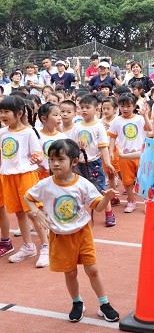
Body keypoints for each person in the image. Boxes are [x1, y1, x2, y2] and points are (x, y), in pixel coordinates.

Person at [24, 139, 120, 322]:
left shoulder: (82, 184)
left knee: (92, 270)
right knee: (70, 272)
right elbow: (28, 197)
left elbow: (98, 207)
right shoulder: (45, 184)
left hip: (82, 233)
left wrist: (106, 198)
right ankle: (77, 303)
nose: (55, 164)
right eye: (52, 159)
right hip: (60, 236)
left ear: (74, 161)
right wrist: (36, 212)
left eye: (60, 159)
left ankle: (104, 304)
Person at [0, 96, 49, 267]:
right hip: (8, 177)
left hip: (26, 175)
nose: (3, 115)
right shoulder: (2, 132)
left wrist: (37, 159)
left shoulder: (28, 132)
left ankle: (45, 246)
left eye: (7, 111)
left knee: (33, 212)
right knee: (19, 213)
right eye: (1, 111)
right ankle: (28, 246)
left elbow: (38, 153)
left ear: (19, 113)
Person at [66, 95, 117, 227]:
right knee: (77, 189)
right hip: (78, 164)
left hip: (94, 163)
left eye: (87, 107)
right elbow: (71, 145)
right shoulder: (77, 126)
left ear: (96, 109)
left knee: (100, 189)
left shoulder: (99, 126)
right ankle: (77, 215)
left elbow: (103, 147)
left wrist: (108, 163)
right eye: (82, 107)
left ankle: (109, 213)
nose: (84, 110)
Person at [108, 93, 152, 213]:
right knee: (127, 181)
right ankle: (131, 200)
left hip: (141, 154)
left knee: (144, 179)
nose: (125, 109)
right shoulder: (116, 121)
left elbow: (150, 129)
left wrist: (145, 116)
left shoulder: (139, 119)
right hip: (124, 156)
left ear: (134, 106)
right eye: (122, 106)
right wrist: (111, 151)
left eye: (128, 106)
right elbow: (112, 137)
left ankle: (148, 201)